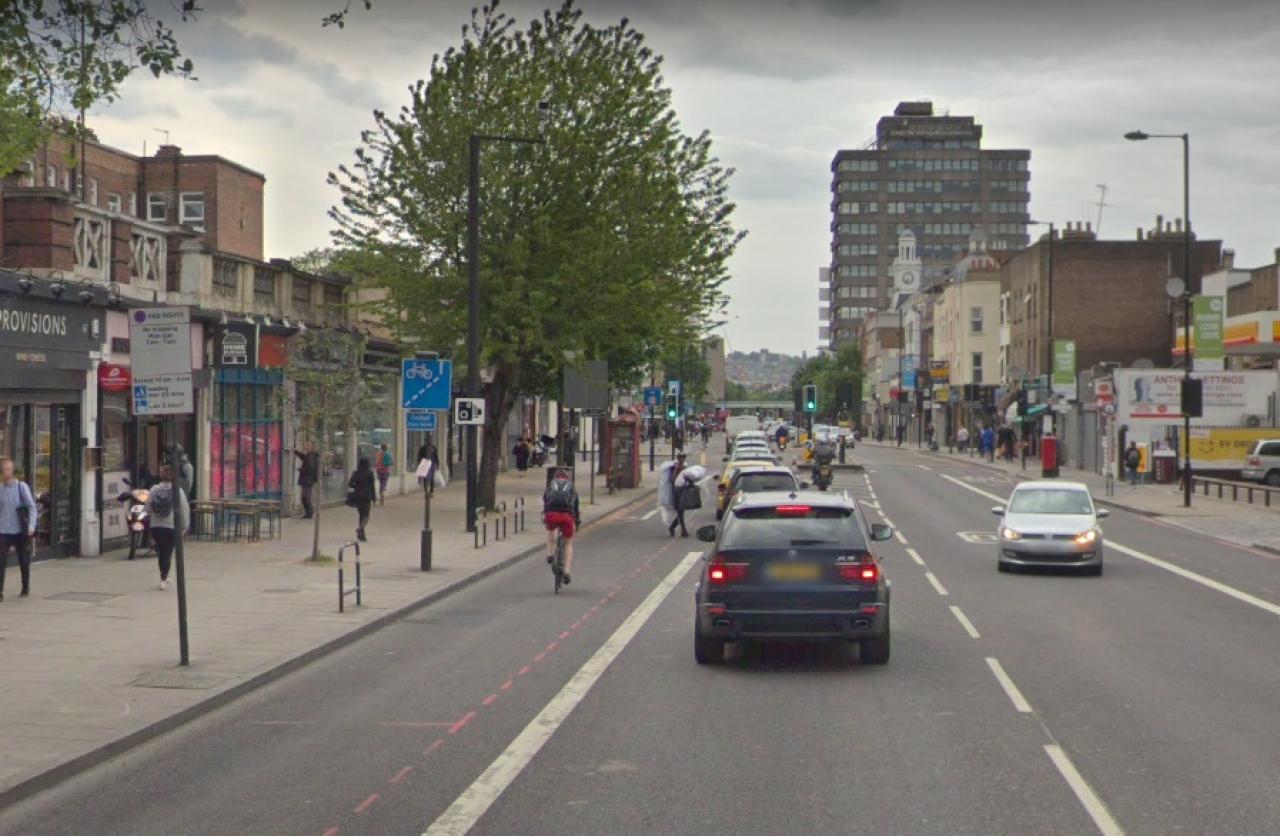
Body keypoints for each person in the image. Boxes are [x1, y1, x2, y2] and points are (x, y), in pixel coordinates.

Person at [0, 457, 37, 602]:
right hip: (3, 530)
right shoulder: (1, 489)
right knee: (1, 561)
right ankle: (0, 591)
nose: (5, 472)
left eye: (7, 469)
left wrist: (30, 527)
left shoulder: (21, 487)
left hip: (20, 530)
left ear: (12, 470)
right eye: (3, 470)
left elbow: (32, 507)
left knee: (23, 559)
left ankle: (25, 586)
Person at [146, 465, 189, 591]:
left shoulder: (154, 490)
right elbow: (184, 509)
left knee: (161, 552)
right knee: (167, 553)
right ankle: (163, 578)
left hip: (156, 526)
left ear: (161, 475)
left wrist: (149, 521)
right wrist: (184, 526)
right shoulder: (177, 490)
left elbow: (147, 507)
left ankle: (163, 575)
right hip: (171, 526)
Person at [543, 468, 581, 585]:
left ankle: (550, 554)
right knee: (568, 542)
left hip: (551, 514)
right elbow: (576, 506)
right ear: (567, 478)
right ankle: (567, 571)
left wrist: (545, 515)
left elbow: (545, 501)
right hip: (567, 516)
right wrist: (577, 520)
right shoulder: (571, 486)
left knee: (550, 532)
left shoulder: (551, 485)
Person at [348, 458, 376, 542]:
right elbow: (372, 486)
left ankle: (361, 534)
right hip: (367, 496)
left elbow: (350, 484)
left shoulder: (356, 473)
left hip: (358, 496)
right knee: (366, 515)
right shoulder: (370, 473)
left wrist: (357, 486)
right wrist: (374, 498)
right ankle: (360, 529)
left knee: (361, 515)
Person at [294, 442, 320, 519]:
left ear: (311, 447)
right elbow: (303, 457)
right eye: (305, 445)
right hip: (307, 479)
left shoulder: (311, 456)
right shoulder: (309, 455)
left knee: (305, 496)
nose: (305, 446)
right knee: (304, 496)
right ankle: (308, 512)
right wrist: (295, 451)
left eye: (307, 445)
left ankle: (309, 512)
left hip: (308, 479)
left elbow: (310, 468)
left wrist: (301, 469)